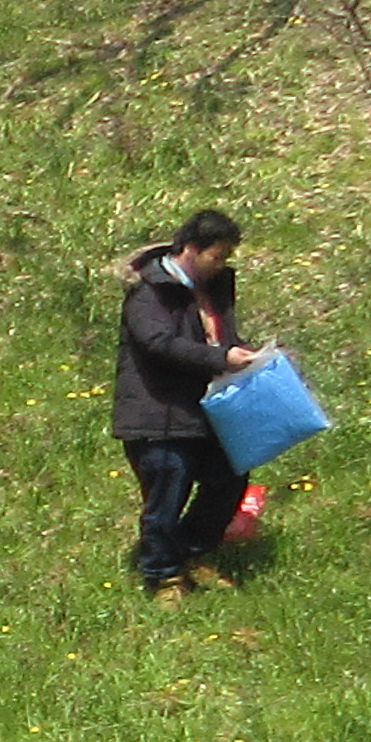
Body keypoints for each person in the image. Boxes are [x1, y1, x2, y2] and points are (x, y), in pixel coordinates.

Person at [115, 206, 269, 599]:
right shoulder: (149, 291)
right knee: (167, 497)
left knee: (229, 478)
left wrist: (247, 356)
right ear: (190, 248)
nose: (221, 265)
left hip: (205, 411)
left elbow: (218, 339)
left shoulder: (211, 292)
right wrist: (222, 359)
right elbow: (160, 344)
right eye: (216, 256)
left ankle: (192, 552)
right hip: (158, 415)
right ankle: (162, 575)